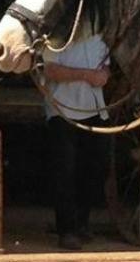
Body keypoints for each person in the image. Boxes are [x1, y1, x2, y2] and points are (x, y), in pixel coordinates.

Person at [42, 33, 111, 250]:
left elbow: (105, 68)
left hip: (94, 108)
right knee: (65, 170)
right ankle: (66, 229)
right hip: (63, 109)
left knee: (93, 167)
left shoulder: (98, 38)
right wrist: (86, 75)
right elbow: (50, 70)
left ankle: (81, 222)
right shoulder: (55, 38)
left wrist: (103, 76)